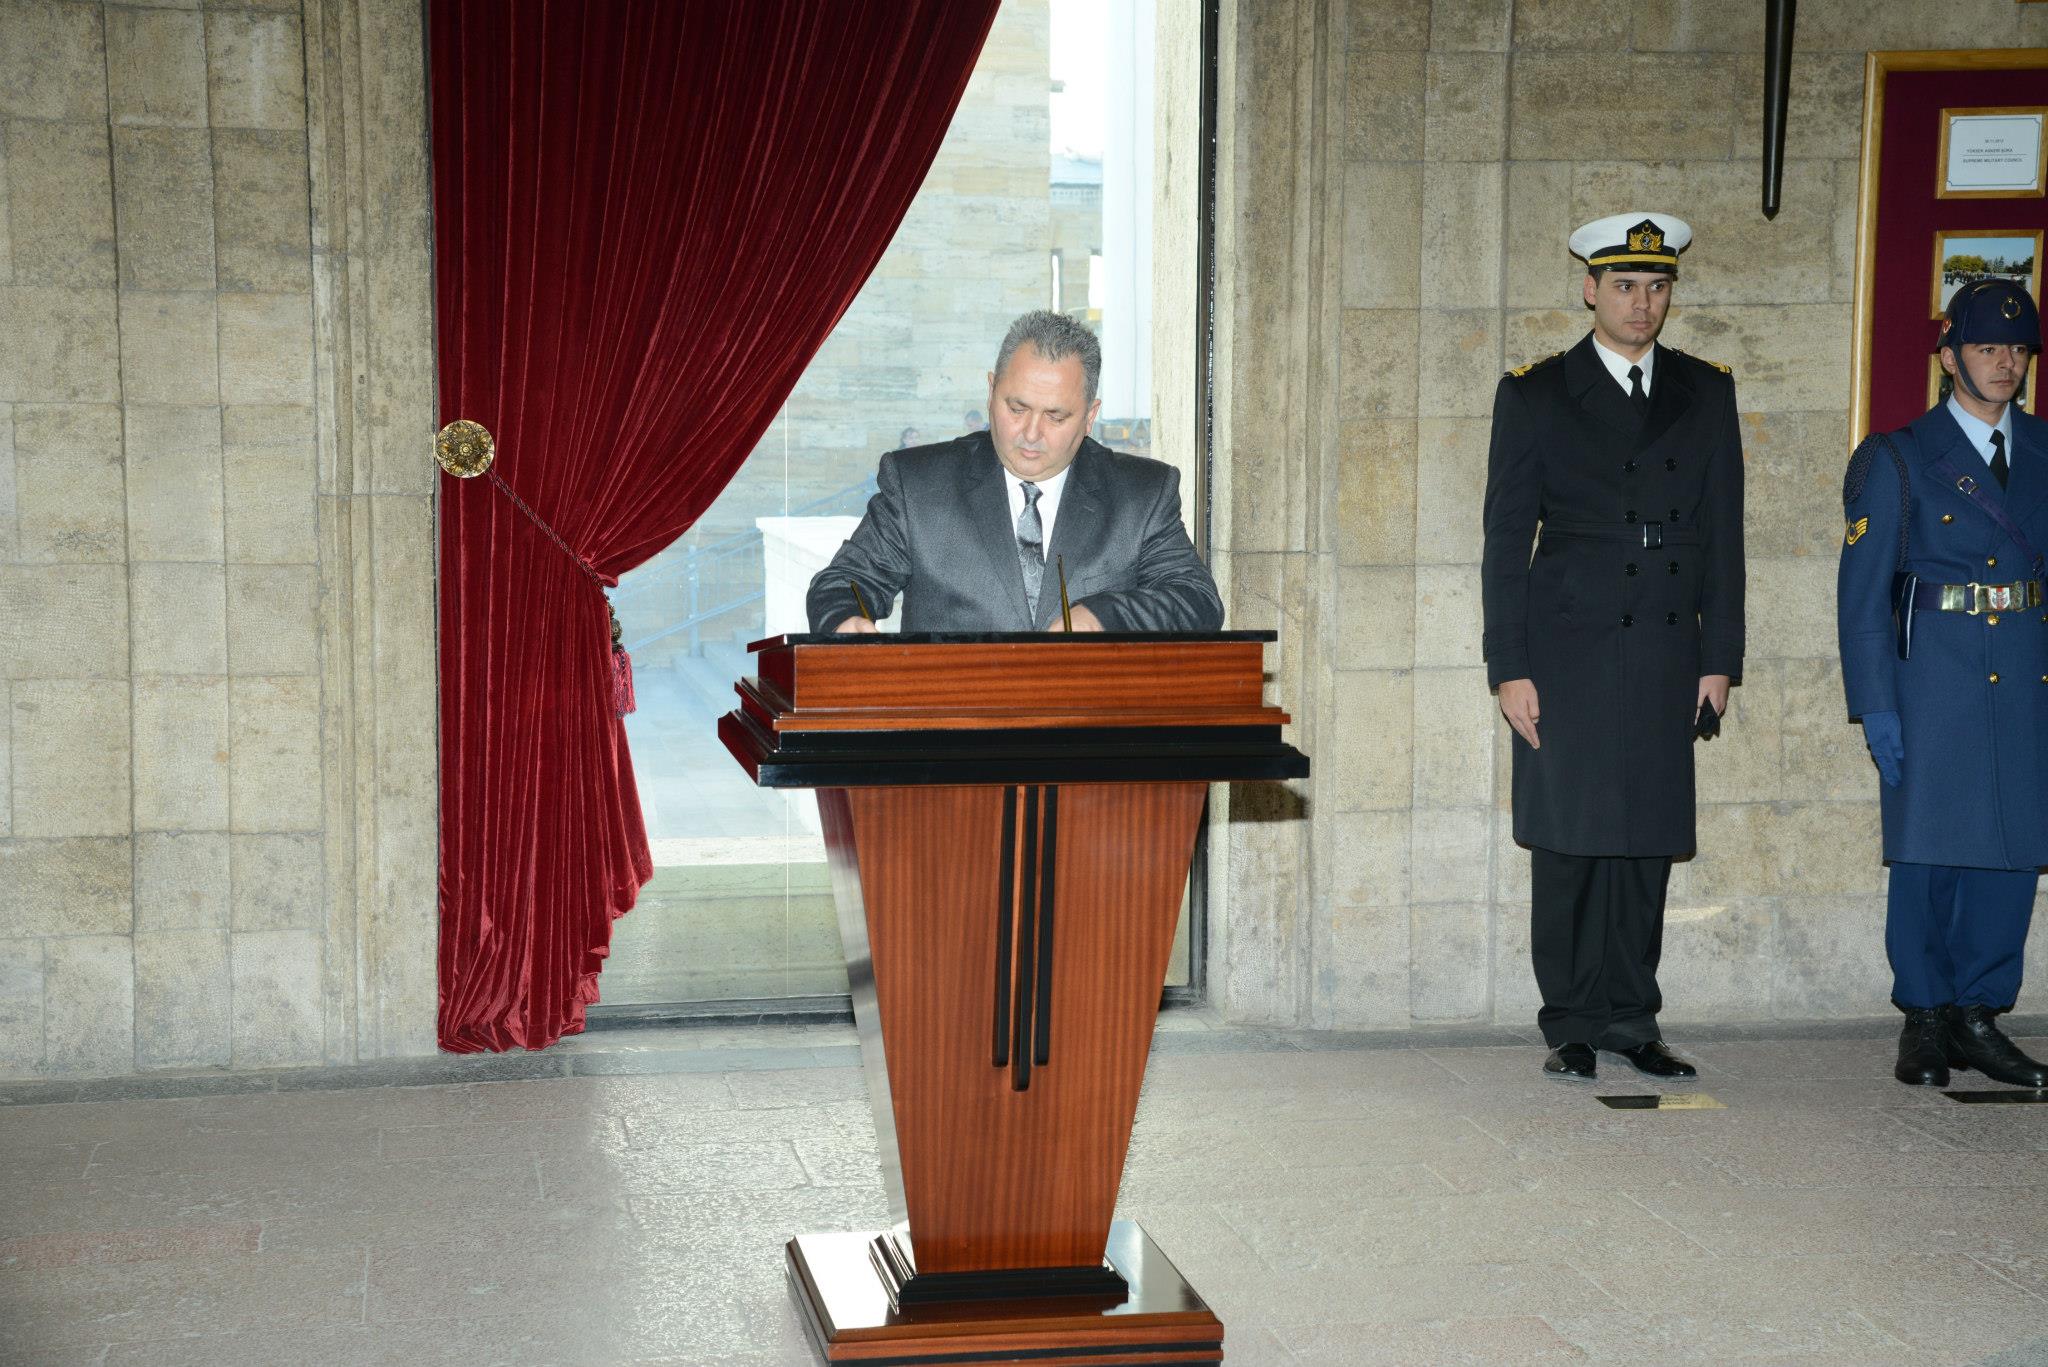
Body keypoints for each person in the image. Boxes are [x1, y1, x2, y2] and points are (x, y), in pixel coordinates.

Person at [1481, 213, 1745, 1081]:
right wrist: (1507, 666)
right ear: (1590, 289)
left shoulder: (1706, 392)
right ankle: (1571, 1022)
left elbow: (1724, 535)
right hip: (1569, 648)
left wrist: (1721, 656)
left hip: (1669, 647)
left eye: (1658, 287)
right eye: (1626, 286)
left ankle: (1634, 1018)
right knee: (1570, 840)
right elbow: (1505, 541)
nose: (1643, 304)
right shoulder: (1537, 393)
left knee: (1644, 842)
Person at [1837, 279, 2048, 1089]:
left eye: (2019, 349)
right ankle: (1925, 1018)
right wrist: (1876, 704)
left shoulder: (2043, 454)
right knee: (1928, 854)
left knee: (2012, 855)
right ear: (1950, 355)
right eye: (1989, 347)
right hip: (1935, 681)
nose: (2006, 362)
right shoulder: (1898, 457)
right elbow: (1861, 598)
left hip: (2025, 673)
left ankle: (1981, 1016)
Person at [807, 310, 1222, 634]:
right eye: (1016, 408)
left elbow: (1196, 600)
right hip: (952, 734)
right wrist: (847, 621)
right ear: (991, 391)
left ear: (1090, 415)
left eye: (1056, 416)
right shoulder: (918, 485)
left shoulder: (1141, 493)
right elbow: (845, 583)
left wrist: (1103, 616)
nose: (1030, 433)